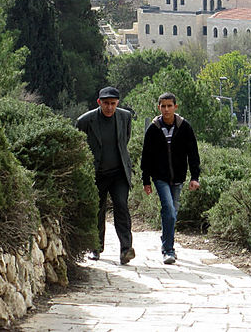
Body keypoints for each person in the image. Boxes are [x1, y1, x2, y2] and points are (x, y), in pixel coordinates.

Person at [76, 86, 135, 265]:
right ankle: (95, 247)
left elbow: (125, 139)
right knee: (97, 209)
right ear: (99, 102)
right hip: (97, 173)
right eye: (106, 103)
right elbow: (78, 144)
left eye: (113, 104)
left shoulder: (125, 117)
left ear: (117, 103)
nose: (109, 107)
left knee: (121, 206)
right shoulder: (85, 121)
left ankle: (126, 248)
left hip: (119, 173)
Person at [140, 92, 201, 265]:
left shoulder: (184, 127)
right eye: (163, 106)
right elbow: (146, 157)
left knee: (172, 213)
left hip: (178, 178)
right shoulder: (153, 129)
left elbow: (193, 154)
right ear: (158, 107)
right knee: (168, 208)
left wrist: (194, 177)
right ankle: (168, 250)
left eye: (169, 106)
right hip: (160, 177)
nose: (166, 109)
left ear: (175, 106)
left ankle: (166, 240)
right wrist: (146, 181)